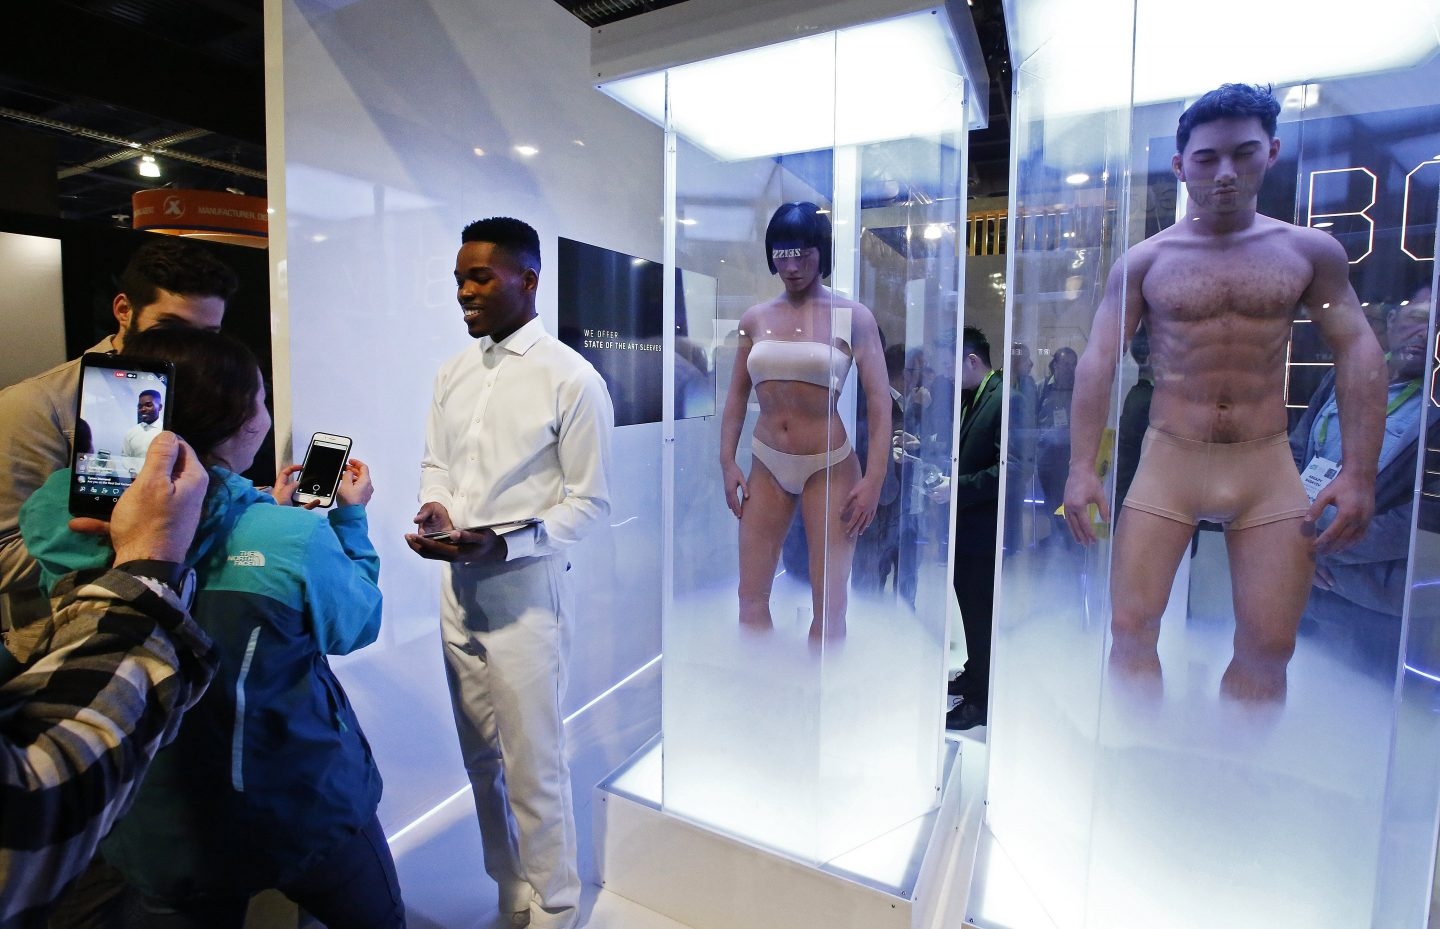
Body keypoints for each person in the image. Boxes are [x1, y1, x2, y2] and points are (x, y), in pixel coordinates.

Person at [20, 328, 402, 928]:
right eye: (261, 401)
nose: (266, 416)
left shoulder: (74, 524)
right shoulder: (288, 540)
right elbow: (356, 624)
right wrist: (347, 520)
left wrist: (268, 516)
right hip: (303, 806)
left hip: (152, 824)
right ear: (237, 423)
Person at [1063, 83, 1386, 702]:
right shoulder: (1145, 262)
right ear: (1181, 165)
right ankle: (1138, 770)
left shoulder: (1308, 252)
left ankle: (1236, 779)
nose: (1225, 174)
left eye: (1243, 153)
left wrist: (1359, 472)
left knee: (1269, 646)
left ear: (1271, 152)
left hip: (1264, 462)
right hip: (1169, 460)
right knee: (1130, 631)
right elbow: (1099, 359)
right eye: (1207, 159)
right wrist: (1083, 468)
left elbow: (1358, 348)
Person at [406, 217, 613, 929]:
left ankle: (557, 904)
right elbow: (439, 464)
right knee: (480, 758)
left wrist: (506, 544)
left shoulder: (572, 378)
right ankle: (510, 887)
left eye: (480, 277)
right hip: (456, 588)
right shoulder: (451, 373)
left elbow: (590, 503)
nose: (464, 292)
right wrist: (436, 510)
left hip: (527, 592)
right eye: (460, 277)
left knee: (535, 762)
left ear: (529, 280)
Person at [0, 433, 217, 929]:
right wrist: (149, 565)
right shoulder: (287, 541)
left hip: (132, 850)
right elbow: (38, 804)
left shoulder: (51, 507)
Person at [0, 238, 236, 663]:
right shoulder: (37, 405)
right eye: (173, 328)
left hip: (185, 625)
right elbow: (4, 553)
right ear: (124, 309)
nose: (198, 350)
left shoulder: (211, 391)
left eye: (211, 335)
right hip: (64, 644)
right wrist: (132, 535)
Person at [718, 202, 891, 639]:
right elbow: (736, 397)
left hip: (829, 465)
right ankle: (759, 691)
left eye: (803, 253)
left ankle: (825, 697)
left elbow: (879, 400)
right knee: (750, 594)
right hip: (766, 462)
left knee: (829, 604)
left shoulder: (853, 318)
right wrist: (727, 462)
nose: (791, 265)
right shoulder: (754, 319)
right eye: (781, 253)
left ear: (822, 252)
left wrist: (874, 479)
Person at [1290, 285, 1436, 674]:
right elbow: (1295, 452)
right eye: (1418, 319)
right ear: (1392, 322)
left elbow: (1423, 519)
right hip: (1300, 578)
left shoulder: (1433, 407)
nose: (1425, 333)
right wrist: (1291, 540)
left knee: (1360, 709)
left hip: (1370, 596)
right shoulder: (1344, 377)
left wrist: (1323, 550)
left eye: (1437, 325)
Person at [935, 326, 1005, 730]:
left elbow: (1008, 469)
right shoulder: (976, 397)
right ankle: (974, 673)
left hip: (984, 529)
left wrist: (956, 488)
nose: (948, 374)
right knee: (971, 608)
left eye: (952, 365)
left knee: (980, 611)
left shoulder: (1004, 398)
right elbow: (969, 451)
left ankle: (980, 699)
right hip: (968, 528)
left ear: (972, 361)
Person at [1036, 346, 1077, 541]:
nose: (1069, 368)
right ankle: (1056, 536)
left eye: (1073, 364)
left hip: (1070, 457)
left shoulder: (1080, 390)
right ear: (1055, 365)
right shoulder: (1041, 388)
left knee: (1067, 499)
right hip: (1046, 456)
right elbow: (1030, 421)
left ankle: (1067, 539)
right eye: (1065, 364)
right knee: (1050, 500)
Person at [120, 389, 164, 459]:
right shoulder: (131, 432)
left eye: (148, 405)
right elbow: (125, 459)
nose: (143, 409)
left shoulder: (166, 432)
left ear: (160, 407)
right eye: (140, 406)